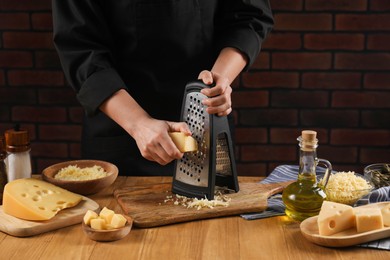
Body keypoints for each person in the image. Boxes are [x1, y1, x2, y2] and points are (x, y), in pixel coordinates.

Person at [52, 0, 274, 176]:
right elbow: (81, 49)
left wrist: (219, 79)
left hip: (205, 121)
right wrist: (139, 125)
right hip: (120, 135)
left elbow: (248, 16)